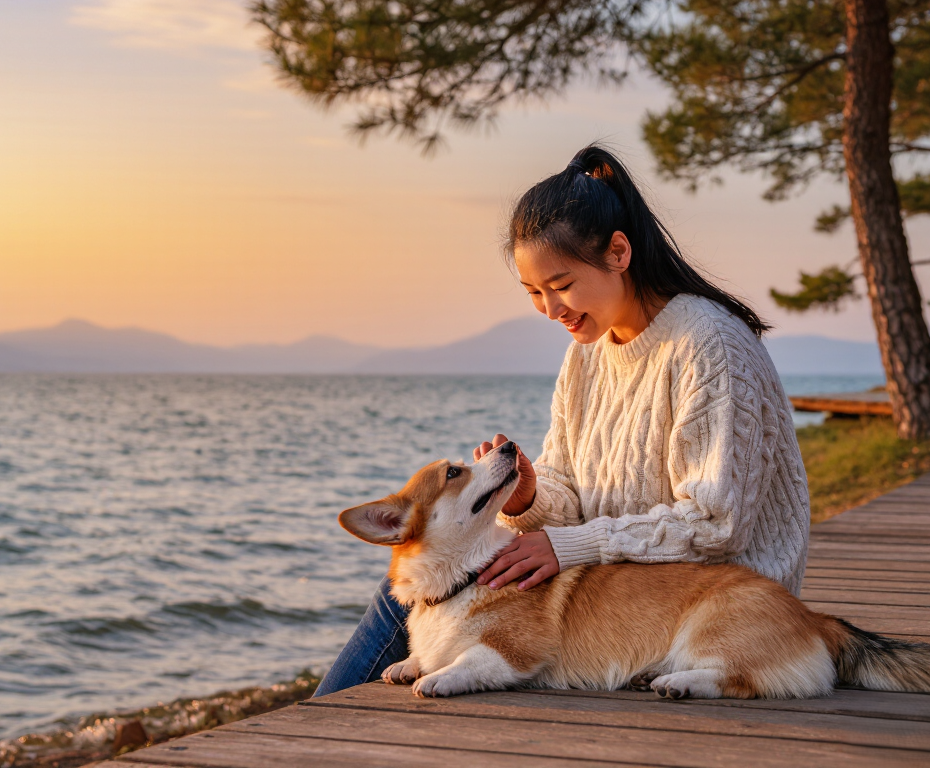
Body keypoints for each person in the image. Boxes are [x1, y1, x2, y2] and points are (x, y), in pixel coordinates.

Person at [312, 144, 812, 697]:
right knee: (412, 583)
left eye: (562, 285)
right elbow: (573, 496)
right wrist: (528, 498)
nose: (552, 310)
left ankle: (308, 737)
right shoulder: (587, 353)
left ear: (618, 252)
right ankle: (312, 735)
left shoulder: (708, 346)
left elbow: (717, 526)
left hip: (704, 603)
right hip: (606, 585)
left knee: (436, 598)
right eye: (533, 293)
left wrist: (569, 547)